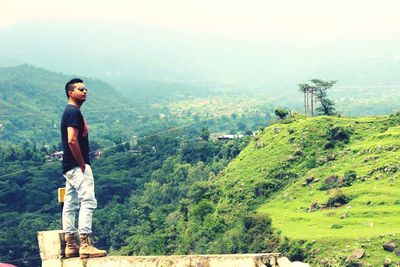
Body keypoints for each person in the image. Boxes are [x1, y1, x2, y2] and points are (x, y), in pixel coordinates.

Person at [61, 78, 107, 259]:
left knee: (70, 204)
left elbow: (80, 131)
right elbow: (72, 140)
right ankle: (86, 244)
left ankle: (71, 245)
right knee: (88, 200)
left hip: (68, 167)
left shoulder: (71, 112)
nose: (85, 91)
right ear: (71, 93)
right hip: (77, 166)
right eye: (81, 89)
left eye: (85, 88)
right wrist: (82, 164)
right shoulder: (73, 113)